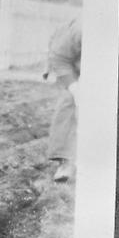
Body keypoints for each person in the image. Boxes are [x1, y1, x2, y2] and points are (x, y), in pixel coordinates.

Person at [44, 17, 81, 183]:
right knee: (68, 102)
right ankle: (65, 161)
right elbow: (60, 58)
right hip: (75, 68)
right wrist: (74, 87)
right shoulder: (78, 31)